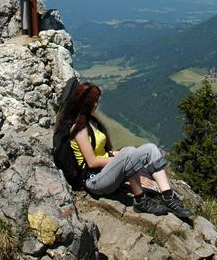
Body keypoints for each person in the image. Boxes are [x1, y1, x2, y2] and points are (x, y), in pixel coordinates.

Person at [54, 81, 192, 221]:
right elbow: (92, 162)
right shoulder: (79, 129)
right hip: (94, 180)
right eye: (94, 102)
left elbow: (106, 152)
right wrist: (126, 159)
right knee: (128, 153)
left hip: (106, 172)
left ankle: (168, 196)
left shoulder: (92, 122)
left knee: (150, 149)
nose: (96, 104)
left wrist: (127, 158)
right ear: (84, 104)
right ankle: (140, 201)